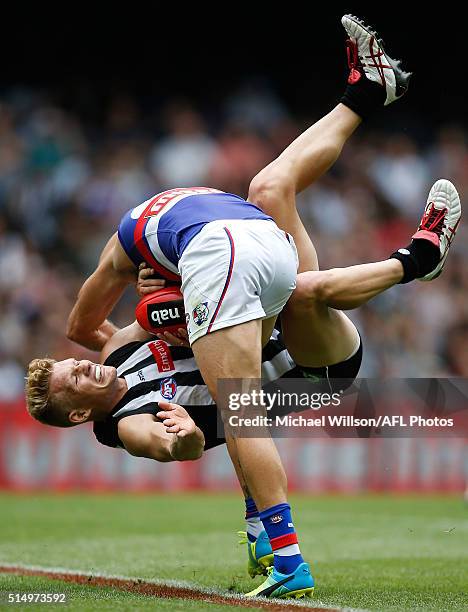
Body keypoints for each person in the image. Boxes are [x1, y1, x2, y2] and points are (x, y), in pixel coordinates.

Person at [25, 15, 461, 599]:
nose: (80, 365)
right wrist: (180, 438)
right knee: (243, 403)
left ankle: (366, 93)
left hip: (286, 331)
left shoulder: (121, 347)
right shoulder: (123, 422)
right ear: (81, 416)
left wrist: (165, 304)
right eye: (72, 380)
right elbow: (162, 445)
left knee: (270, 191)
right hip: (312, 370)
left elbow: (94, 327)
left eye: (69, 362)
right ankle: (287, 558)